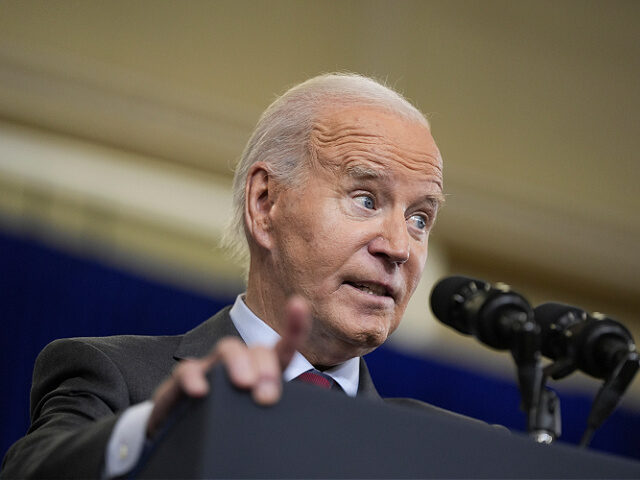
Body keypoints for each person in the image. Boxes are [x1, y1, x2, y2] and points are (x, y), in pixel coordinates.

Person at [2, 73, 462, 479]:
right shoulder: (116, 378)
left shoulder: (429, 455)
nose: (400, 247)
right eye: (366, 199)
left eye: (420, 218)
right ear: (265, 203)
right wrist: (153, 433)